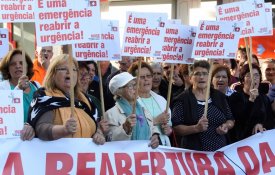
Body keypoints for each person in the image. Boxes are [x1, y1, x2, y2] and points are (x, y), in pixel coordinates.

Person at [28, 54, 105, 144]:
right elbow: (41, 129)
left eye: (73, 69)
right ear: (53, 74)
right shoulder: (46, 97)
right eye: (64, 69)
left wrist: (99, 133)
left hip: (84, 157)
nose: (69, 72)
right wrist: (63, 130)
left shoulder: (86, 100)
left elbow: (94, 127)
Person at [172, 60, 234, 151]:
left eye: (205, 74)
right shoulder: (182, 100)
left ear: (209, 77)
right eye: (197, 74)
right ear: (190, 77)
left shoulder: (219, 96)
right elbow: (176, 128)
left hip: (220, 153)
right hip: (195, 155)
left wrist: (226, 126)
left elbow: (230, 119)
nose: (201, 77)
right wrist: (195, 128)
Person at [105, 72, 160, 148]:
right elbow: (109, 139)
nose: (135, 88)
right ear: (119, 92)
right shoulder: (111, 113)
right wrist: (125, 128)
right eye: (130, 86)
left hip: (144, 156)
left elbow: (152, 127)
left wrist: (155, 135)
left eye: (135, 84)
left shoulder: (143, 109)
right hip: (125, 157)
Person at [128, 62, 172, 146]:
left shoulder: (161, 100)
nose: (146, 79)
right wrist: (155, 120)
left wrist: (168, 130)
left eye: (149, 76)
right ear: (133, 80)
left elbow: (169, 127)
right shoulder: (130, 102)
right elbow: (131, 128)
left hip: (161, 147)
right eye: (142, 77)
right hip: (141, 148)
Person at [0, 49, 38, 141]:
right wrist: (18, 89)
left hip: (35, 141)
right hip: (11, 143)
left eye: (21, 63)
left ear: (27, 67)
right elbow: (5, 113)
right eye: (13, 64)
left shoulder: (37, 86)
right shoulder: (2, 87)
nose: (18, 66)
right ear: (8, 69)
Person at [231, 64, 274, 141]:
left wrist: (261, 125)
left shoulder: (264, 98)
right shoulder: (235, 97)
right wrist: (251, 100)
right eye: (249, 75)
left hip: (260, 143)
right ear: (243, 80)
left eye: (256, 75)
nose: (254, 79)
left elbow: (270, 121)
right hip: (242, 142)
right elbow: (240, 121)